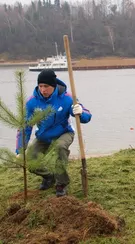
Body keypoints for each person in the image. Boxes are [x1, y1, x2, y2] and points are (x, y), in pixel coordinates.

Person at [16, 69, 92, 197]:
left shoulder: (67, 98)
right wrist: (20, 149)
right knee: (30, 160)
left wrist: (80, 112)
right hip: (43, 136)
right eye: (40, 86)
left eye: (46, 86)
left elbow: (86, 117)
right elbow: (25, 126)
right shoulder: (32, 102)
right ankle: (49, 177)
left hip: (64, 133)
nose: (43, 90)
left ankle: (61, 183)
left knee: (59, 147)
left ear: (54, 85)